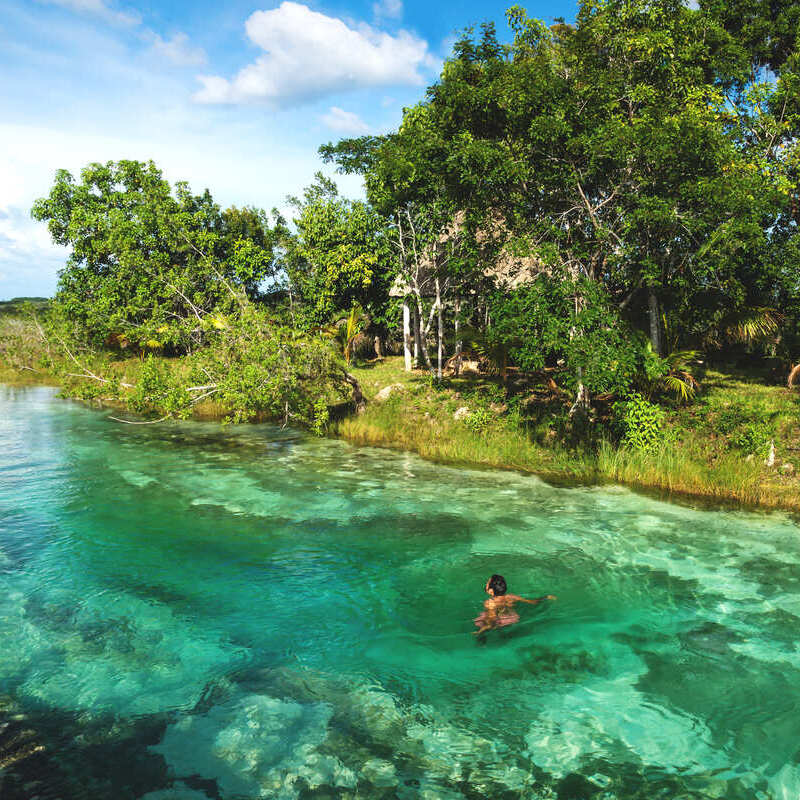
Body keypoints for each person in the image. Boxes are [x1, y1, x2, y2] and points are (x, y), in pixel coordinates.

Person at [473, 574, 555, 635]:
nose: (486, 583)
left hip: (499, 621)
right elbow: (533, 602)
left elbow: (491, 619)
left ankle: (481, 641)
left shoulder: (489, 603)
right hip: (512, 619)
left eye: (487, 582)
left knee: (481, 623)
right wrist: (545, 597)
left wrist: (480, 631)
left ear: (491, 591)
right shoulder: (511, 596)